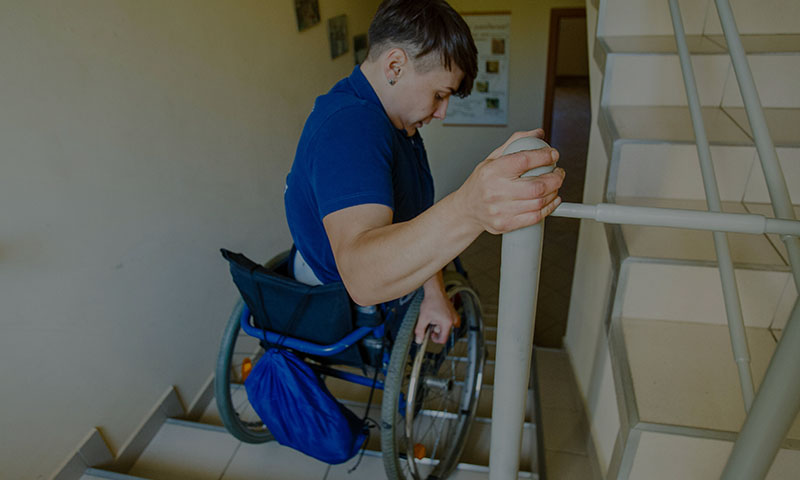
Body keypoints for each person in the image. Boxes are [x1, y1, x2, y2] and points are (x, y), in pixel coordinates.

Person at [284, 0, 565, 345]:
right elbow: (361, 277)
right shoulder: (351, 126)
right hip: (338, 294)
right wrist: (469, 208)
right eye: (439, 94)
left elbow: (412, 216)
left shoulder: (399, 126)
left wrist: (434, 292)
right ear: (395, 66)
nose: (442, 112)